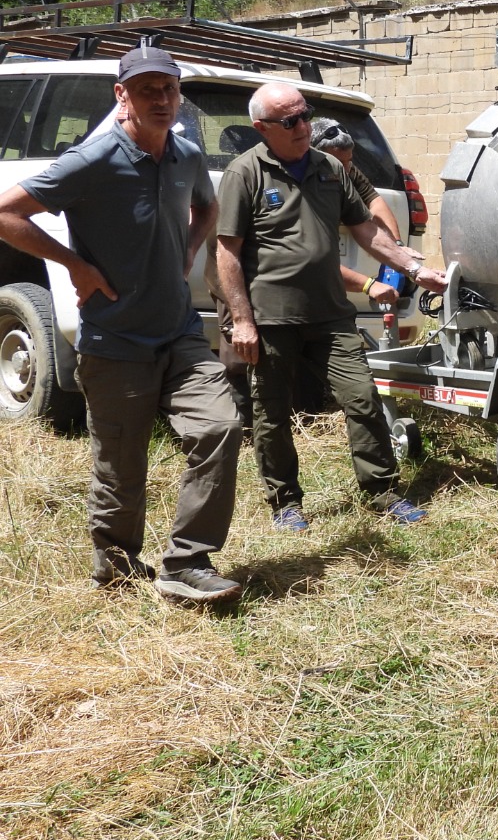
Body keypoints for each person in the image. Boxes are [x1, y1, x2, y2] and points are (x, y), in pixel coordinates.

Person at [0, 46, 244, 604]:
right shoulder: (92, 160)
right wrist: (76, 266)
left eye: (169, 89)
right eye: (147, 90)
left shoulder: (184, 154)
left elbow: (206, 206)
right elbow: (6, 213)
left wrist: (188, 248)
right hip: (114, 339)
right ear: (122, 96)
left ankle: (187, 563)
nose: (161, 99)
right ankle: (115, 562)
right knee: (121, 460)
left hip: (179, 329)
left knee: (219, 428)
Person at [213, 82, 447, 532]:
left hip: (330, 312)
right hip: (271, 316)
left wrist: (415, 268)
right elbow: (227, 252)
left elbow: (369, 232)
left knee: (361, 398)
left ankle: (381, 491)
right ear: (262, 128)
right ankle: (285, 503)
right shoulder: (246, 173)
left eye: (305, 114)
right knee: (272, 414)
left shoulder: (328, 168)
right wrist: (242, 319)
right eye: (290, 121)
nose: (303, 126)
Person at [309, 116, 420, 312]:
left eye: (349, 161)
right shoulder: (302, 183)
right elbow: (316, 263)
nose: (344, 168)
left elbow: (375, 203)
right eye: (337, 162)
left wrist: (397, 247)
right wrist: (369, 285)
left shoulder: (348, 171)